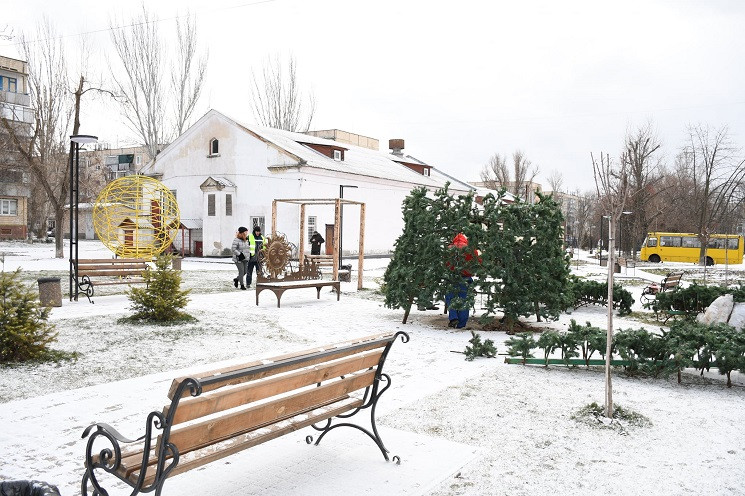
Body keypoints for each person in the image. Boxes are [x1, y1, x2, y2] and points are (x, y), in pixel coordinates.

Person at [445, 233, 480, 329]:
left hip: (452, 277)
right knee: (465, 300)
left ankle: (453, 318)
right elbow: (478, 262)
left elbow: (444, 262)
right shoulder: (471, 249)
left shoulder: (449, 248)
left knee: (450, 297)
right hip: (466, 278)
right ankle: (461, 324)